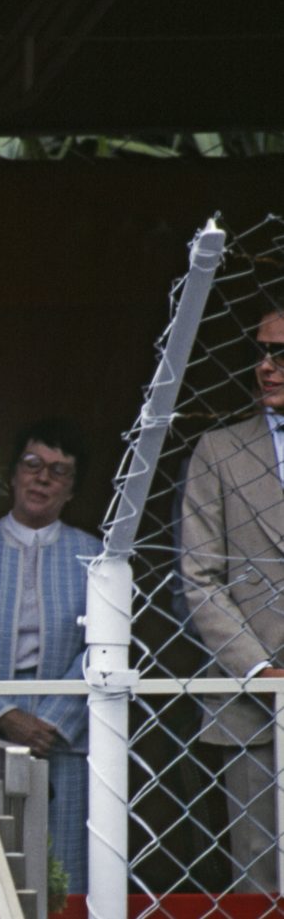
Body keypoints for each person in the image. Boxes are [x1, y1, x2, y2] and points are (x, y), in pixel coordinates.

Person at [0, 418, 100, 894]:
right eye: (33, 465)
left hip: (63, 737)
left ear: (72, 489)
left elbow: (103, 648)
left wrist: (50, 721)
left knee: (61, 878)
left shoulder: (93, 558)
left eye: (58, 471)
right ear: (13, 475)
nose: (42, 479)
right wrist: (2, 714)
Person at [180, 307, 284, 893]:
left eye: (281, 354)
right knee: (260, 876)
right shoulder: (218, 451)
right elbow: (198, 575)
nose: (265, 367)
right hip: (255, 704)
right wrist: (261, 669)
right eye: (260, 352)